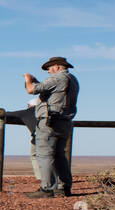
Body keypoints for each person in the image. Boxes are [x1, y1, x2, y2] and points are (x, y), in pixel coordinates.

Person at [23, 57, 79, 198]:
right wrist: (38, 83)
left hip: (49, 122)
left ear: (57, 67)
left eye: (49, 68)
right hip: (64, 122)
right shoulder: (73, 80)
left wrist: (28, 78)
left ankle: (47, 189)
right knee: (60, 155)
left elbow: (31, 90)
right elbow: (53, 92)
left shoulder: (57, 78)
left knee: (44, 154)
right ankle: (64, 187)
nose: (48, 71)